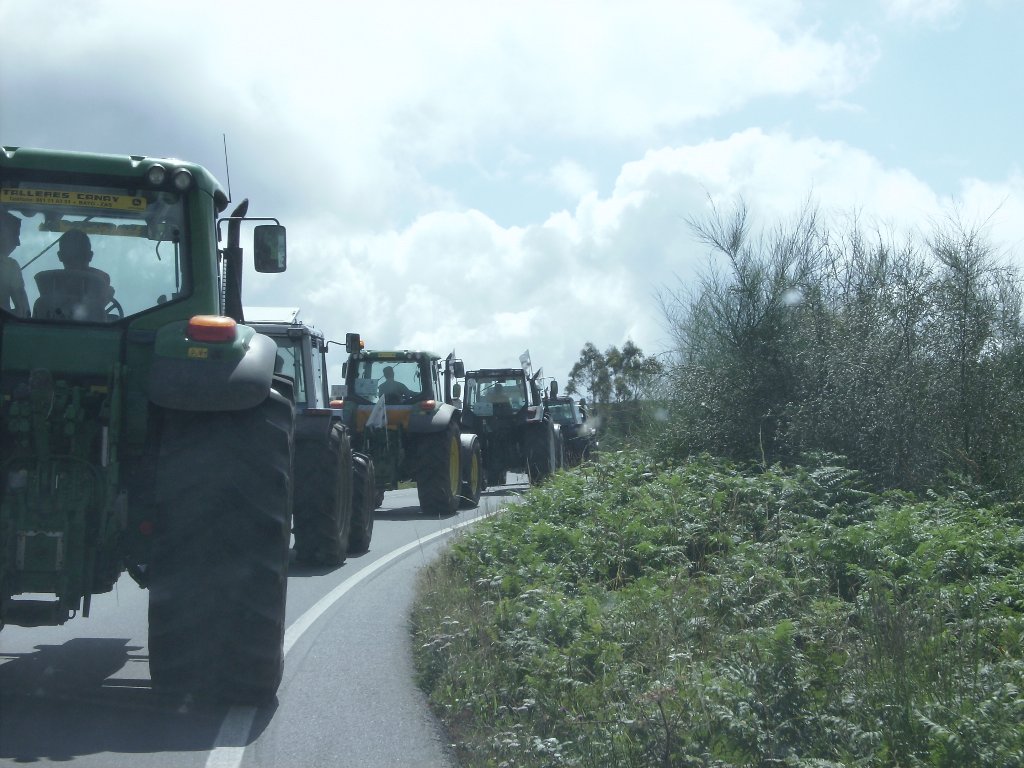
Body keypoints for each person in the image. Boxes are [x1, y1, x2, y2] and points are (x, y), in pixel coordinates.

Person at [0, 210, 30, 317]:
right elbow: (23, 312)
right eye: (14, 235)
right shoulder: (10, 266)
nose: (18, 243)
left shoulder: (10, 266)